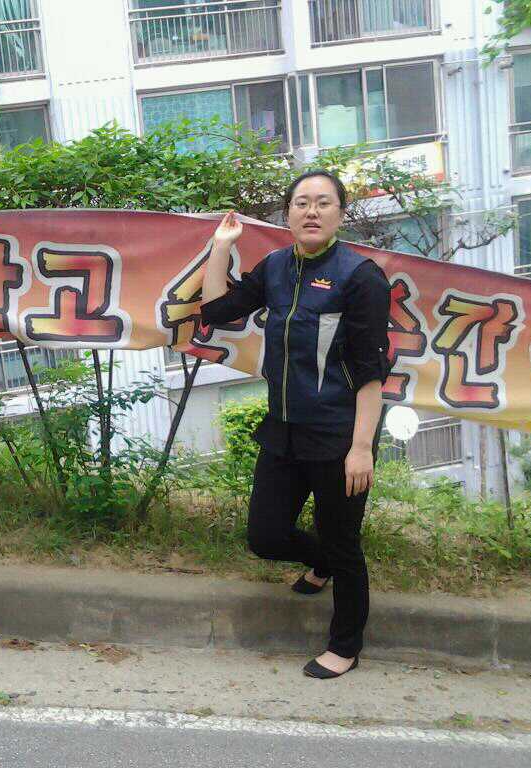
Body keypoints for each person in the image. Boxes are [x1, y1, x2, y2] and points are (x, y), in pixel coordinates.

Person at [200, 170, 391, 679]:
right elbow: (218, 309)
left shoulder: (360, 277)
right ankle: (321, 561)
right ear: (287, 214)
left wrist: (361, 447)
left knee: (344, 543)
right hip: (283, 428)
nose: (312, 211)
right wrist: (222, 246)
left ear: (340, 214)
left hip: (338, 434)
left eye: (323, 203)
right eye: (302, 202)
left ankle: (345, 646)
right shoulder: (277, 267)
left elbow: (371, 371)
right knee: (265, 537)